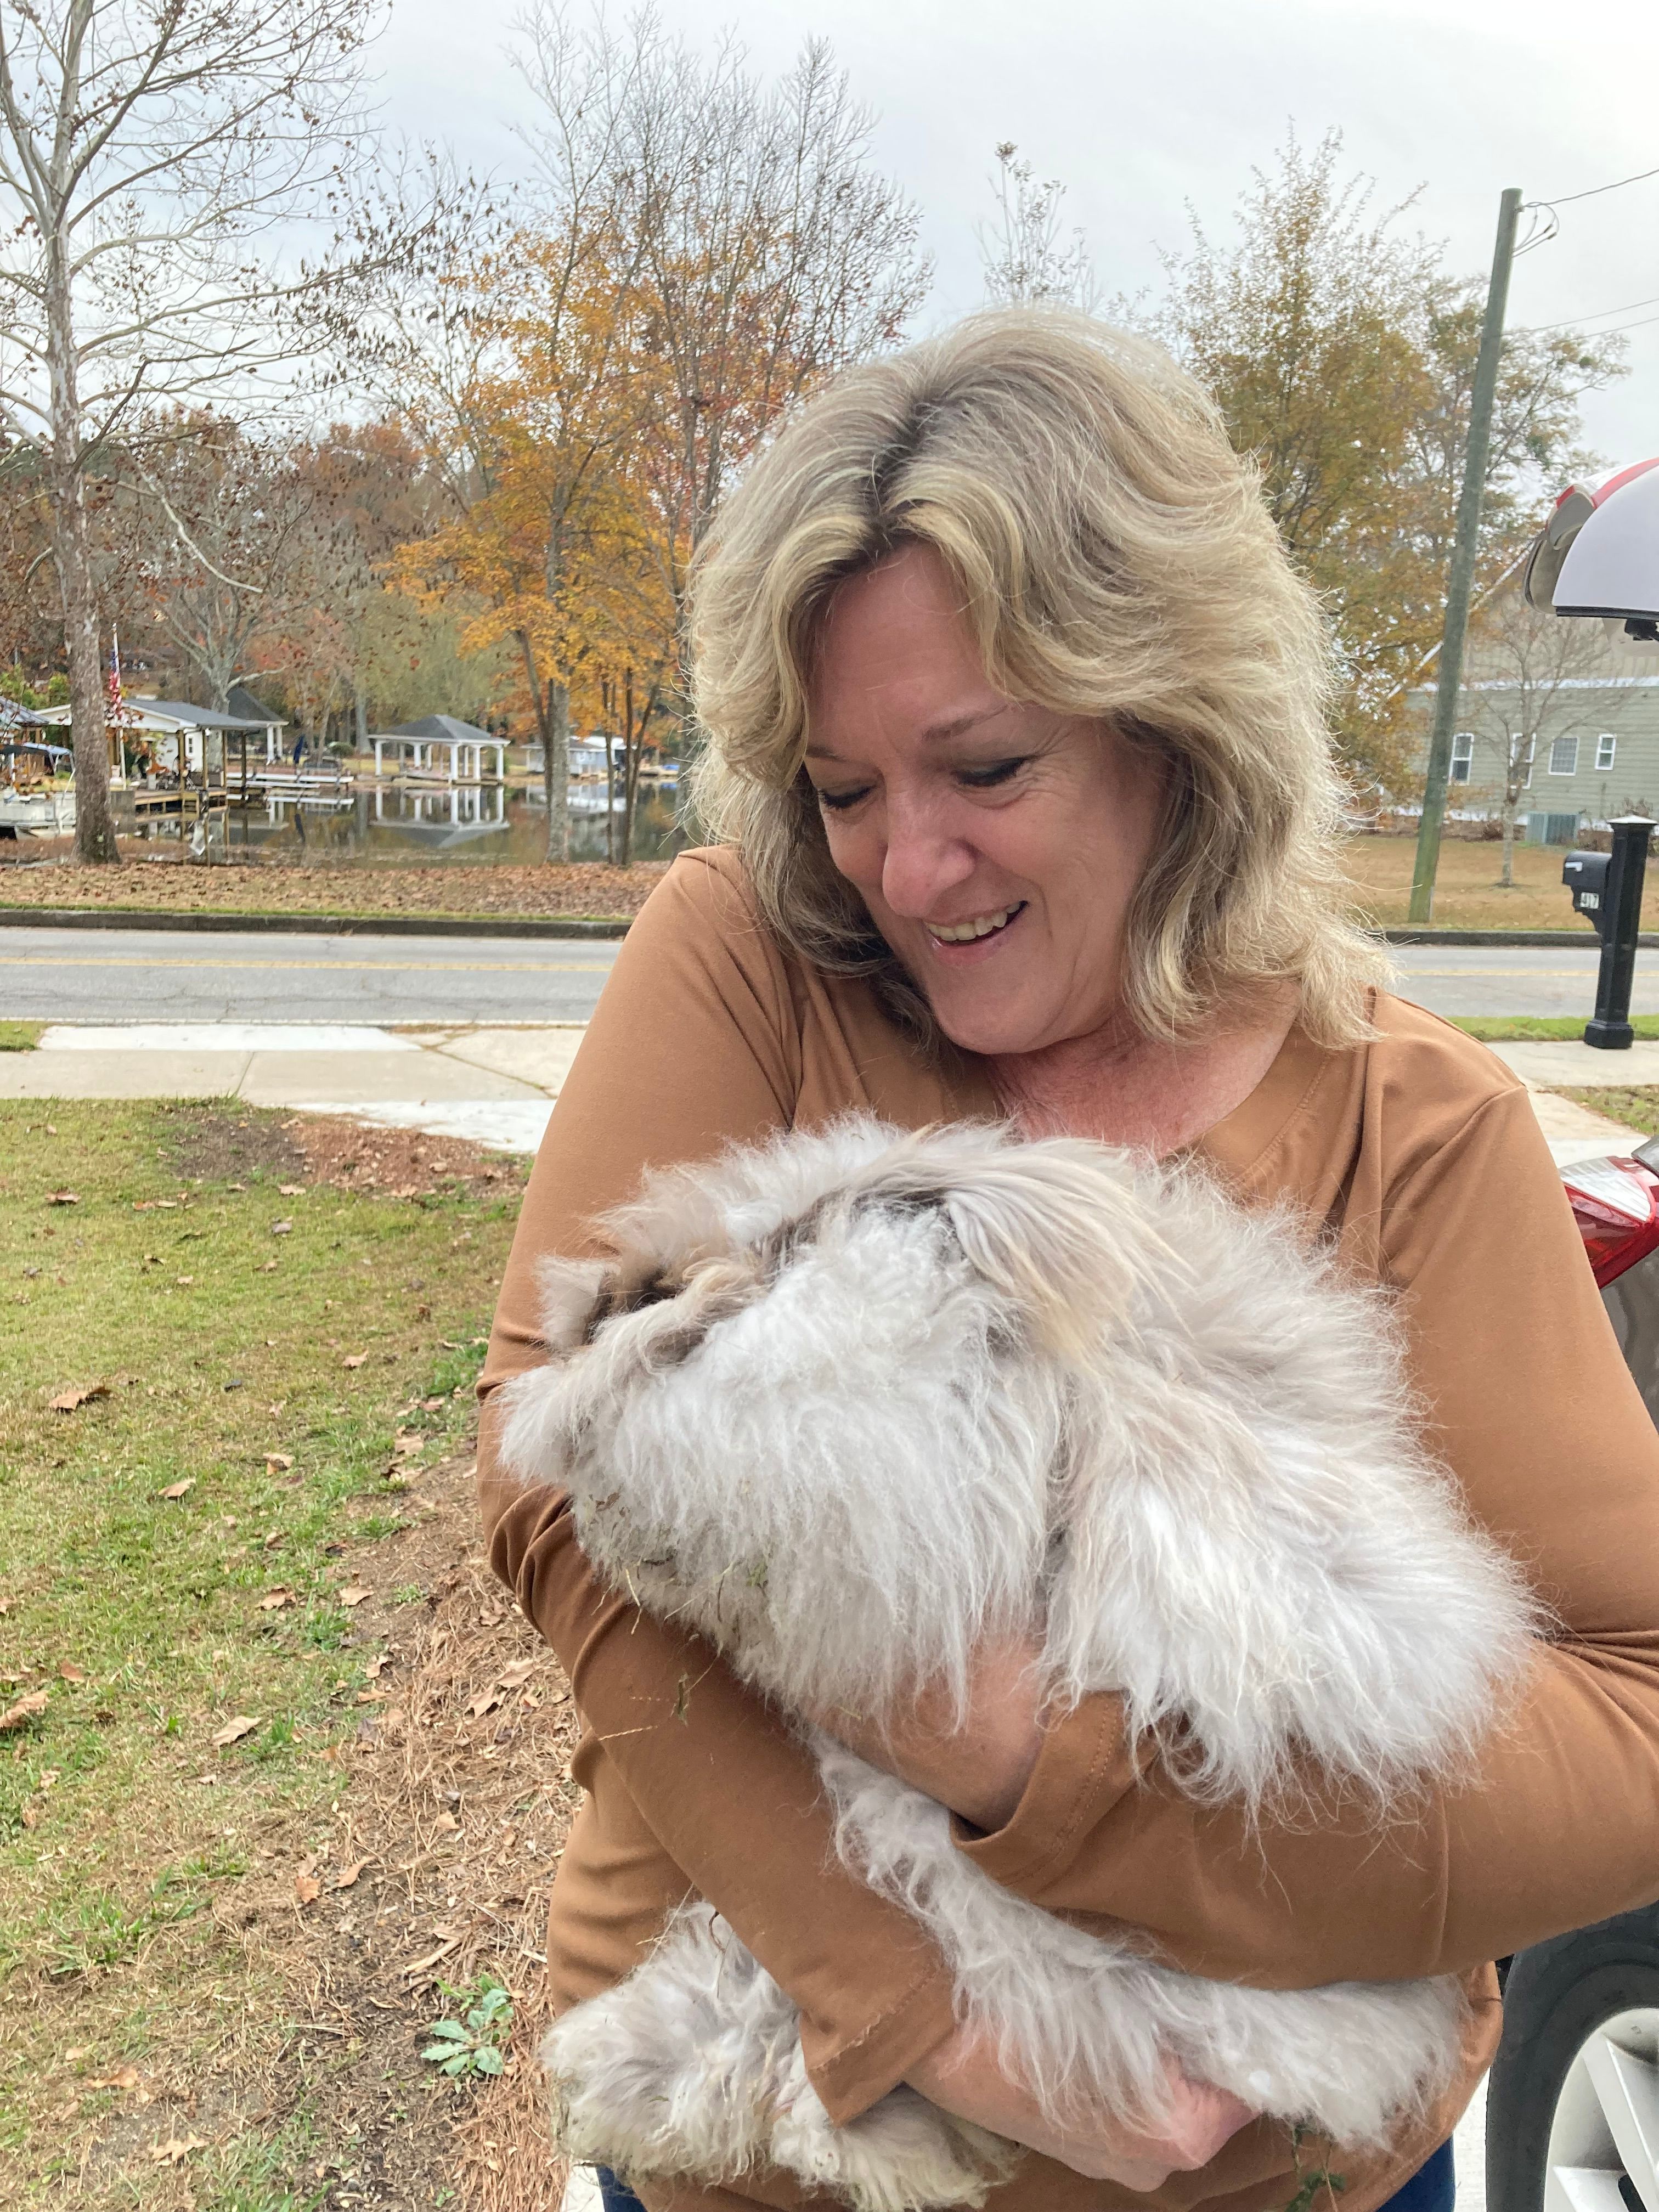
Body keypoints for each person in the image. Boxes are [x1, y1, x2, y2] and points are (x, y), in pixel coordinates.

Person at [477, 309, 1659, 2212]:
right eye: (846, 791)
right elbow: (551, 1477)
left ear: (1172, 720)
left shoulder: (1412, 1123)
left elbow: (1634, 1716)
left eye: (986, 767)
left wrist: (1043, 1759)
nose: (904, 870)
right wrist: (932, 2019)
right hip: (767, 2146)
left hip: (1262, 2175)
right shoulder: (751, 958)